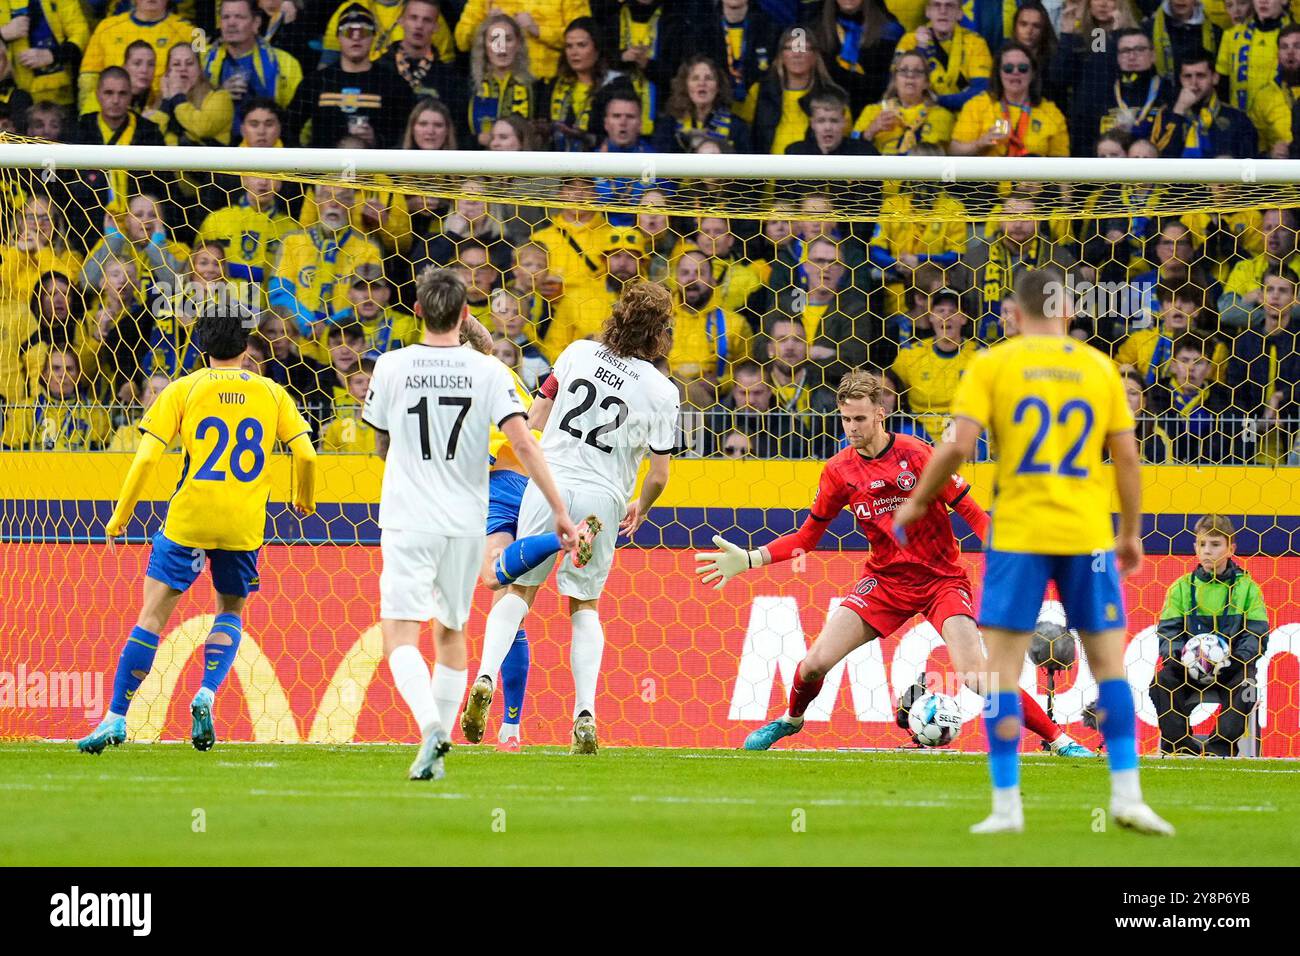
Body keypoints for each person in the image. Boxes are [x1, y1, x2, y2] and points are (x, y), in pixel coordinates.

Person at [894, 264, 1174, 836]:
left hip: (1018, 535)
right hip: (1086, 532)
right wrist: (1130, 533)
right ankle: (1127, 796)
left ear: (1014, 316)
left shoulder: (993, 365)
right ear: (1068, 312)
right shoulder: (1098, 368)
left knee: (998, 672)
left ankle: (1005, 808)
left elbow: (957, 447)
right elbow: (1126, 456)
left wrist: (918, 501)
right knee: (1109, 667)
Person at [695, 368, 1093, 758]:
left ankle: (1060, 740)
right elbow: (806, 538)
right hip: (884, 583)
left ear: (881, 413)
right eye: (846, 419)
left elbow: (970, 511)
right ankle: (791, 719)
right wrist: (750, 558)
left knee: (976, 675)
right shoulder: (838, 471)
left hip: (941, 581)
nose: (852, 427)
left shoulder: (917, 454)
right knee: (814, 664)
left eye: (860, 418)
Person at [361, 267, 578, 780]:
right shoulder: (490, 374)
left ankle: (432, 727)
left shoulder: (391, 366)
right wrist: (561, 512)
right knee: (452, 631)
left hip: (408, 514)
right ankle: (454, 738)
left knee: (400, 634)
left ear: (415, 311)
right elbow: (526, 443)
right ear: (464, 314)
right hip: (466, 517)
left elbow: (381, 445)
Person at [75, 303, 318, 754]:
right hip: (243, 523)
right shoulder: (271, 391)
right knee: (230, 609)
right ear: (247, 346)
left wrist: (120, 516)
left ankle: (115, 718)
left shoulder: (183, 389)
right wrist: (304, 494)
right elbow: (306, 455)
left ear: (200, 346)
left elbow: (147, 457)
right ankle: (206, 692)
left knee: (152, 617)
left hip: (189, 519)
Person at [461, 280, 680, 756]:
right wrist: (641, 504)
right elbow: (660, 473)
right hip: (603, 499)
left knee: (520, 591)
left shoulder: (578, 352)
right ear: (659, 335)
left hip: (549, 486)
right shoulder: (664, 392)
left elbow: (536, 416)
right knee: (583, 606)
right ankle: (584, 715)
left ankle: (483, 677)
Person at [1148, 514, 1269, 756]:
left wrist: (1234, 660)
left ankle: (1219, 749)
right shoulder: (1181, 586)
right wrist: (1179, 658)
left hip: (1232, 668)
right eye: (1202, 544)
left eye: (1215, 545)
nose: (1207, 551)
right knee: (1161, 682)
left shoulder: (1247, 588)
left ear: (1230, 548)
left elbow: (1257, 634)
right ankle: (1180, 746)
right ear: (1195, 547)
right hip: (1188, 668)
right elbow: (1168, 632)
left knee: (1248, 685)